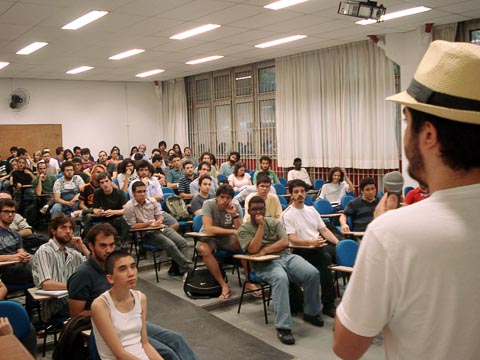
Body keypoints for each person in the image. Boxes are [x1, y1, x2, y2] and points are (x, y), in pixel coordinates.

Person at [333, 41, 480, 360]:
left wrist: (380, 229)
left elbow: (346, 346)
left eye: (406, 121)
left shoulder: (393, 233)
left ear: (428, 134)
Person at [68, 223, 199, 360]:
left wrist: (125, 309)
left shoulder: (115, 267)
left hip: (126, 316)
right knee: (166, 352)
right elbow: (76, 315)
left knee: (176, 339)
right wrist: (111, 311)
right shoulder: (83, 274)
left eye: (111, 245)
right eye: (103, 246)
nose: (108, 250)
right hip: (105, 323)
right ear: (91, 246)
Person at [238, 196, 323, 345]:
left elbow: (284, 242)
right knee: (281, 278)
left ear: (265, 209)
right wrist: (261, 227)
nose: (258, 212)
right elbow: (252, 249)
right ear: (248, 211)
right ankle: (283, 327)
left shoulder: (275, 222)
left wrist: (265, 250)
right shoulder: (244, 229)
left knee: (312, 273)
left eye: (261, 209)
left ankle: (311, 312)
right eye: (254, 209)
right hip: (264, 264)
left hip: (285, 257)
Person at [91, 251, 162, 360]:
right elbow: (120, 354)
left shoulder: (141, 298)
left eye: (133, 267)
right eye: (122, 269)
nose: (131, 273)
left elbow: (145, 344)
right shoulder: (100, 306)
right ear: (110, 278)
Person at [282, 179, 338, 317]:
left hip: (317, 245)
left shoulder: (312, 210)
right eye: (296, 192)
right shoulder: (287, 214)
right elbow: (292, 239)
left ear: (306, 193)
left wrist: (339, 244)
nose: (300, 194)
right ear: (290, 194)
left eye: (302, 191)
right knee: (325, 259)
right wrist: (311, 242)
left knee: (339, 254)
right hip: (301, 249)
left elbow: (324, 230)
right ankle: (328, 304)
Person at [198, 184, 260, 300]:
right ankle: (223, 285)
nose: (225, 200)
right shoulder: (209, 204)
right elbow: (208, 228)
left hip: (226, 238)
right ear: (217, 197)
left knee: (244, 244)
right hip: (209, 237)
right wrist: (231, 231)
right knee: (204, 249)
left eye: (228, 198)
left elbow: (241, 230)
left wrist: (234, 215)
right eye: (222, 197)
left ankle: (248, 280)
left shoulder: (234, 206)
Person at [123, 181, 194, 275]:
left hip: (159, 228)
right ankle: (189, 269)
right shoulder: (129, 206)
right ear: (133, 193)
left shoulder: (152, 201)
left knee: (183, 243)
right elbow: (133, 226)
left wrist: (159, 220)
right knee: (170, 245)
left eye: (144, 191)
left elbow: (159, 216)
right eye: (139, 192)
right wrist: (149, 223)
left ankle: (183, 271)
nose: (142, 194)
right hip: (146, 233)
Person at [32, 214, 90, 321]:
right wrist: (75, 288)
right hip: (56, 306)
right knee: (97, 307)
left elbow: (95, 266)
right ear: (53, 231)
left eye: (71, 228)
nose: (68, 231)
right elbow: (47, 284)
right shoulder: (44, 251)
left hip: (74, 299)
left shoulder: (73, 253)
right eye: (63, 227)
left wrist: (82, 247)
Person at [0, 198, 33, 286]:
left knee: (39, 258)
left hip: (19, 266)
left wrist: (24, 257)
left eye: (12, 212)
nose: (10, 214)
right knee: (41, 265)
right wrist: (14, 257)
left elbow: (21, 253)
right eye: (6, 211)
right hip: (4, 270)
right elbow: (17, 256)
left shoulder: (16, 234)